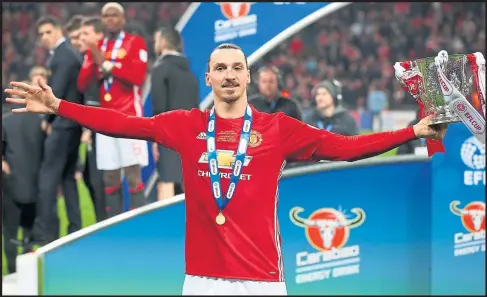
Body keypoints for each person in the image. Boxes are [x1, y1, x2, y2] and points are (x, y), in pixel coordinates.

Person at [5, 43, 447, 295]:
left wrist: (412, 132)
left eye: (238, 68)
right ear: (210, 79)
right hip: (201, 281)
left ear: (249, 78)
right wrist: (59, 105)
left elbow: (346, 148)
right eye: (221, 68)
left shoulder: (278, 129)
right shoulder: (186, 125)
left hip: (262, 281)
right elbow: (123, 123)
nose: (230, 74)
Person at [77, 2, 149, 217]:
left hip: (129, 116)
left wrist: (105, 64)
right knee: (110, 177)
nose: (110, 19)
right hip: (105, 119)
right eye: (106, 16)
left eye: (114, 15)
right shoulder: (98, 46)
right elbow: (82, 83)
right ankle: (116, 227)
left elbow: (136, 77)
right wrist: (93, 57)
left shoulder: (135, 43)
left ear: (123, 19)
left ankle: (140, 225)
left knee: (133, 173)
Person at [34, 16, 84, 245]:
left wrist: (47, 119)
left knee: (47, 179)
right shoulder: (70, 54)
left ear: (57, 30)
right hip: (72, 124)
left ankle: (45, 236)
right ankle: (75, 231)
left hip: (62, 125)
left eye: (47, 32)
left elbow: (57, 92)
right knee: (68, 179)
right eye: (41, 34)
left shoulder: (62, 56)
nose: (44, 38)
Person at [2, 79, 46, 273]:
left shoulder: (4, 122)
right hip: (36, 184)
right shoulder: (41, 123)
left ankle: (12, 272)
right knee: (30, 230)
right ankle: (28, 271)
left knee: (10, 231)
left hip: (11, 184)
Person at [151, 26, 199, 201]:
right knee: (187, 181)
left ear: (163, 42)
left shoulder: (160, 69)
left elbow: (159, 107)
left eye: (156, 40)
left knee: (167, 181)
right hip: (190, 134)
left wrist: (155, 138)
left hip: (168, 134)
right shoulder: (191, 74)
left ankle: (165, 227)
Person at [71, 16, 107, 222]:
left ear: (99, 35)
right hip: (92, 121)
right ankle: (101, 220)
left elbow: (91, 89)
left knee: (100, 176)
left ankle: (105, 220)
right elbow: (83, 86)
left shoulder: (103, 57)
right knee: (92, 175)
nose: (81, 38)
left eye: (85, 34)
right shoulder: (88, 57)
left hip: (101, 121)